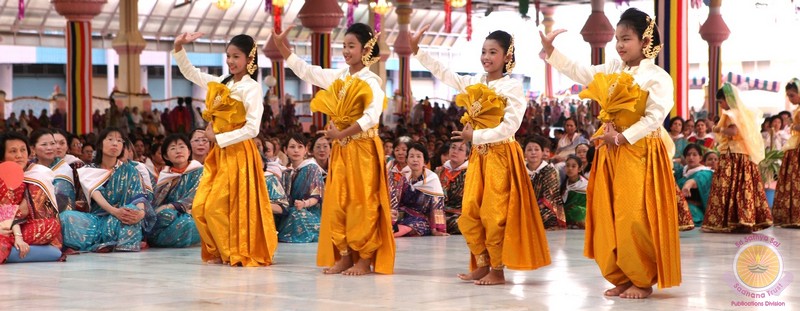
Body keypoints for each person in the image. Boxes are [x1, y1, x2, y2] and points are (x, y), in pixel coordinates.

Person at [543, 8, 681, 298]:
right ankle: (620, 274)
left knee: (634, 215)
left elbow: (655, 118)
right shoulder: (612, 70)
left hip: (639, 151)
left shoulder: (657, 77)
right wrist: (551, 51)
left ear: (645, 41)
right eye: (617, 38)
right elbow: (582, 73)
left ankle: (641, 278)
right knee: (608, 213)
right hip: (610, 150)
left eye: (626, 38)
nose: (619, 45)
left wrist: (622, 137)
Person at [413, 25, 551, 285]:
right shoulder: (476, 82)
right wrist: (418, 52)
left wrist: (473, 137)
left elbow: (510, 126)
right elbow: (447, 75)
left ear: (507, 56)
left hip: (501, 156)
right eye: (484, 51)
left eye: (493, 52)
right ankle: (483, 262)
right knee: (470, 212)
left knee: (494, 213)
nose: (486, 57)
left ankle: (497, 270)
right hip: (479, 156)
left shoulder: (512, 87)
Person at [274, 23, 395, 275]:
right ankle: (345, 255)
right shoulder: (340, 77)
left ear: (366, 49)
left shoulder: (372, 80)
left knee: (363, 202)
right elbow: (308, 72)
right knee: (339, 203)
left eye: (351, 46)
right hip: (341, 150)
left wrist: (340, 133)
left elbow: (372, 117)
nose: (346, 51)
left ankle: (363, 258)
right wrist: (283, 49)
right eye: (344, 46)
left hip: (363, 149)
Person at [173, 32, 277, 266]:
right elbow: (192, 73)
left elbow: (253, 128)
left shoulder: (251, 88)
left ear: (249, 58)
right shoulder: (222, 82)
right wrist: (179, 47)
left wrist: (218, 137)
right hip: (218, 155)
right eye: (228, 56)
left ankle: (233, 251)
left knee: (216, 207)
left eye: (236, 56)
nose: (230, 61)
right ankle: (221, 250)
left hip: (239, 153)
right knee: (200, 206)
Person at [60, 128, 151, 252]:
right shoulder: (89, 169)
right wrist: (114, 211)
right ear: (100, 144)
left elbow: (139, 197)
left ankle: (117, 245)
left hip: (118, 220)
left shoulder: (131, 170)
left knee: (133, 211)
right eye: (110, 139)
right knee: (66, 217)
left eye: (119, 141)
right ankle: (108, 243)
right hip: (95, 221)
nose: (115, 143)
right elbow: (95, 193)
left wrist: (141, 212)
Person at [702, 83, 773, 233]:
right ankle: (744, 219)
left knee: (728, 185)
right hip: (743, 154)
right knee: (742, 186)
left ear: (727, 99)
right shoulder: (742, 113)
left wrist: (717, 128)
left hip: (732, 154)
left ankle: (728, 220)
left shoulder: (731, 114)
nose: (721, 106)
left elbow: (733, 131)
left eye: (721, 102)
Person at [0, 132, 63, 263]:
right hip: (5, 226)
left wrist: (16, 234)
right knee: (53, 253)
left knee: (52, 225)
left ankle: (13, 249)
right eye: (13, 151)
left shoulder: (37, 174)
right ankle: (16, 250)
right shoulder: (3, 175)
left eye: (23, 150)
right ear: (3, 156)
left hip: (17, 226)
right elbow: (8, 212)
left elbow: (19, 212)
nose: (19, 155)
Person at [148, 134, 203, 248]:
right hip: (170, 215)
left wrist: (171, 206)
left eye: (182, 147)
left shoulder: (200, 171)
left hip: (194, 215)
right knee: (164, 216)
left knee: (188, 224)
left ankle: (158, 240)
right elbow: (156, 204)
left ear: (189, 151)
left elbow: (195, 196)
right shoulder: (166, 176)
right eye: (173, 148)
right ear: (166, 156)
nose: (178, 151)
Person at [389, 142, 447, 237]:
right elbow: (397, 200)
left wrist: (436, 230)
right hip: (404, 214)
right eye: (411, 156)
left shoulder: (432, 178)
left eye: (419, 156)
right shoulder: (405, 177)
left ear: (425, 161)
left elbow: (437, 207)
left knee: (412, 224)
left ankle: (389, 234)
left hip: (422, 219)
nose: (415, 160)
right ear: (407, 160)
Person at [278, 134, 325, 243]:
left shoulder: (312, 168)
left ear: (306, 150)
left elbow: (317, 196)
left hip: (310, 213)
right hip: (291, 210)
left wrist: (304, 204)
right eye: (292, 147)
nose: (296, 150)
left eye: (300, 147)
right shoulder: (286, 172)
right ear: (285, 150)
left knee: (297, 215)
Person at [773, 78, 800, 227]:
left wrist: (795, 127)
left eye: (792, 95)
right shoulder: (797, 110)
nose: (790, 98)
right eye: (788, 95)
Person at [524, 136, 565, 230]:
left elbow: (549, 196)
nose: (533, 152)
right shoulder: (521, 170)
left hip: (545, 208)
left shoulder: (549, 170)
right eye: (529, 150)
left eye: (536, 149)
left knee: (545, 216)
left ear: (542, 153)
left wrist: (533, 208)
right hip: (524, 206)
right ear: (524, 153)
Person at [435, 140, 469, 234]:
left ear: (467, 156)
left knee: (463, 224)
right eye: (453, 147)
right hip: (439, 213)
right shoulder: (438, 171)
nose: (455, 151)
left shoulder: (471, 173)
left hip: (460, 214)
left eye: (460, 149)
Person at [675, 144, 713, 228]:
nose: (691, 157)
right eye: (688, 155)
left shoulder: (705, 173)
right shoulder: (681, 171)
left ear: (700, 158)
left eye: (694, 155)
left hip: (694, 209)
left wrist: (686, 186)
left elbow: (695, 181)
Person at [561, 155, 588, 229]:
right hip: (567, 212)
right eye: (567, 166)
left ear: (579, 169)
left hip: (583, 212)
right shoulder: (564, 185)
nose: (570, 168)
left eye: (573, 166)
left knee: (577, 211)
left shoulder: (586, 185)